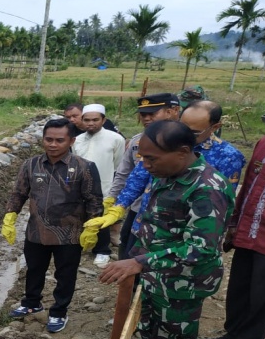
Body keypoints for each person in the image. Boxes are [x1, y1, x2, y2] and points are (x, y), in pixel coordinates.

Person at [99, 121, 234, 339]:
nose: (146, 165)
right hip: (158, 273)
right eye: (143, 158)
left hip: (184, 280)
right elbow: (154, 222)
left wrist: (139, 262)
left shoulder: (207, 188)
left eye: (151, 158)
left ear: (183, 152)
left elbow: (201, 247)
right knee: (152, 329)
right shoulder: (168, 173)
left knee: (172, 336)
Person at [91, 99, 245, 259]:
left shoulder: (227, 156)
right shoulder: (164, 138)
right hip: (145, 223)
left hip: (180, 237)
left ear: (215, 127)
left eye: (193, 132)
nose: (183, 135)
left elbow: (220, 204)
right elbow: (140, 175)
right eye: (182, 126)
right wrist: (119, 206)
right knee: (127, 268)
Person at [198, 91, 265, 339]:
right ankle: (234, 334)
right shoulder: (264, 144)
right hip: (247, 231)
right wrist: (232, 224)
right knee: (240, 286)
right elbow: (246, 189)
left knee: (264, 294)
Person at [2, 118, 103, 333]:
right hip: (36, 230)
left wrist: (93, 226)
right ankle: (31, 302)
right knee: (34, 269)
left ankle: (59, 311)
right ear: (43, 140)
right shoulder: (31, 165)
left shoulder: (84, 167)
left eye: (59, 140)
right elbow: (19, 193)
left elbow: (94, 199)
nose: (53, 144)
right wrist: (10, 215)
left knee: (65, 274)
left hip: (70, 233)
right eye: (48, 139)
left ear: (71, 141)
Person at [105, 93, 181, 259]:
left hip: (168, 214)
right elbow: (124, 174)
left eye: (152, 114)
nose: (146, 118)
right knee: (127, 252)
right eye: (143, 114)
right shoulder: (136, 142)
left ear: (171, 112)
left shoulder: (184, 142)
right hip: (137, 209)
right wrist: (112, 201)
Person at [72, 104, 126, 268]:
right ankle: (82, 244)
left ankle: (102, 251)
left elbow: (118, 164)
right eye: (87, 120)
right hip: (79, 187)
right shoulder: (77, 140)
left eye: (95, 120)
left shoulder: (115, 139)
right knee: (80, 216)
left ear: (103, 120)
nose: (91, 123)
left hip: (104, 185)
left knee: (101, 219)